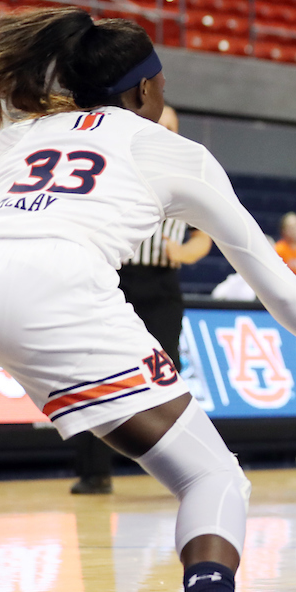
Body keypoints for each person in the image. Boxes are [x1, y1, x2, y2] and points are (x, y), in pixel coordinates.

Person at [0, 7, 296, 592]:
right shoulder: (176, 152)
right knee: (210, 477)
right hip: (61, 287)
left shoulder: (21, 135)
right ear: (144, 89)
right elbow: (265, 268)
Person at [70, 102, 213, 496]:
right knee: (93, 368)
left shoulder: (191, 172)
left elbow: (205, 234)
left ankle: (185, 469)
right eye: (157, 123)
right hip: (115, 277)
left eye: (170, 126)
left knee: (165, 374)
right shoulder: (113, 164)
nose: (163, 130)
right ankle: (93, 472)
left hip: (162, 285)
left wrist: (185, 253)